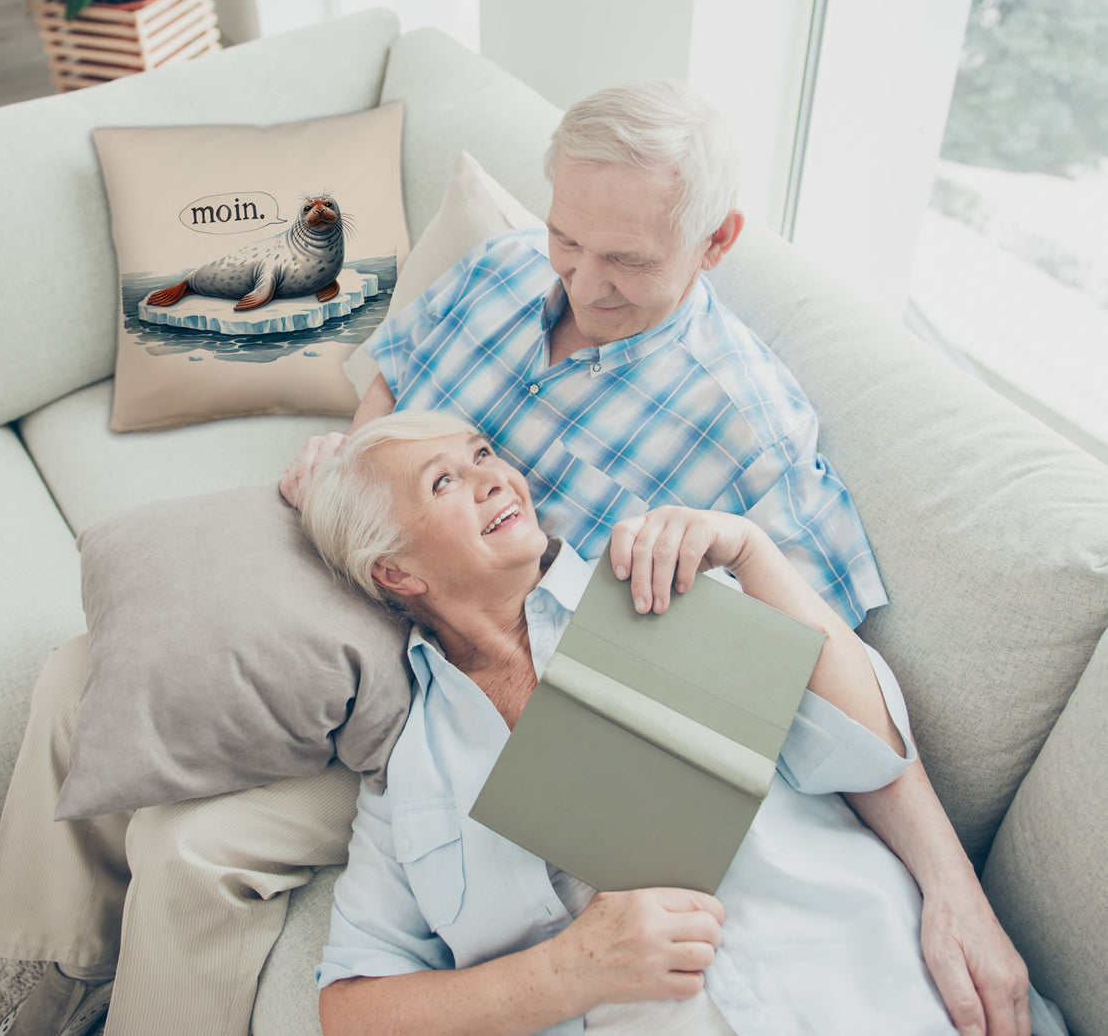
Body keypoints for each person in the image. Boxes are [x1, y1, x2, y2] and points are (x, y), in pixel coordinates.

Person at [283, 81, 1030, 1035]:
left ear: (716, 242)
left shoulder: (726, 479)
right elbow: (392, 380)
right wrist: (356, 480)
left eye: (626, 260)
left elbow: (838, 707)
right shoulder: (501, 273)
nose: (583, 285)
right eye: (568, 240)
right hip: (387, 654)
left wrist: (952, 891)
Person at [302, 410, 1052, 1036]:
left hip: (882, 988)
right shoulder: (411, 774)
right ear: (396, 573)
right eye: (444, 481)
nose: (495, 477)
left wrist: (753, 553)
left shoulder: (657, 584)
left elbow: (867, 751)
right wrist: (566, 972)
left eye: (483, 454)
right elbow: (351, 1008)